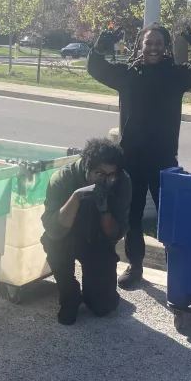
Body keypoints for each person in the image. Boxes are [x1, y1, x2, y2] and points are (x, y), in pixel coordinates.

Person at [87, 23, 191, 288]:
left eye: (159, 43)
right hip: (132, 160)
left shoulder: (175, 75)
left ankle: (177, 271)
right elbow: (95, 67)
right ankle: (136, 267)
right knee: (133, 217)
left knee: (169, 218)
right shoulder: (127, 74)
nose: (153, 48)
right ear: (139, 46)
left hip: (163, 160)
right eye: (148, 43)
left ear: (166, 47)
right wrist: (102, 45)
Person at [41, 138, 132, 325]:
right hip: (65, 238)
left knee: (102, 307)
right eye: (99, 174)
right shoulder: (63, 179)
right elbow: (53, 230)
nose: (105, 180)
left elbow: (115, 234)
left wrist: (104, 209)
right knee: (53, 244)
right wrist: (76, 197)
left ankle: (96, 292)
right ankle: (70, 294)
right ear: (86, 168)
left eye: (111, 174)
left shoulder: (122, 182)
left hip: (97, 240)